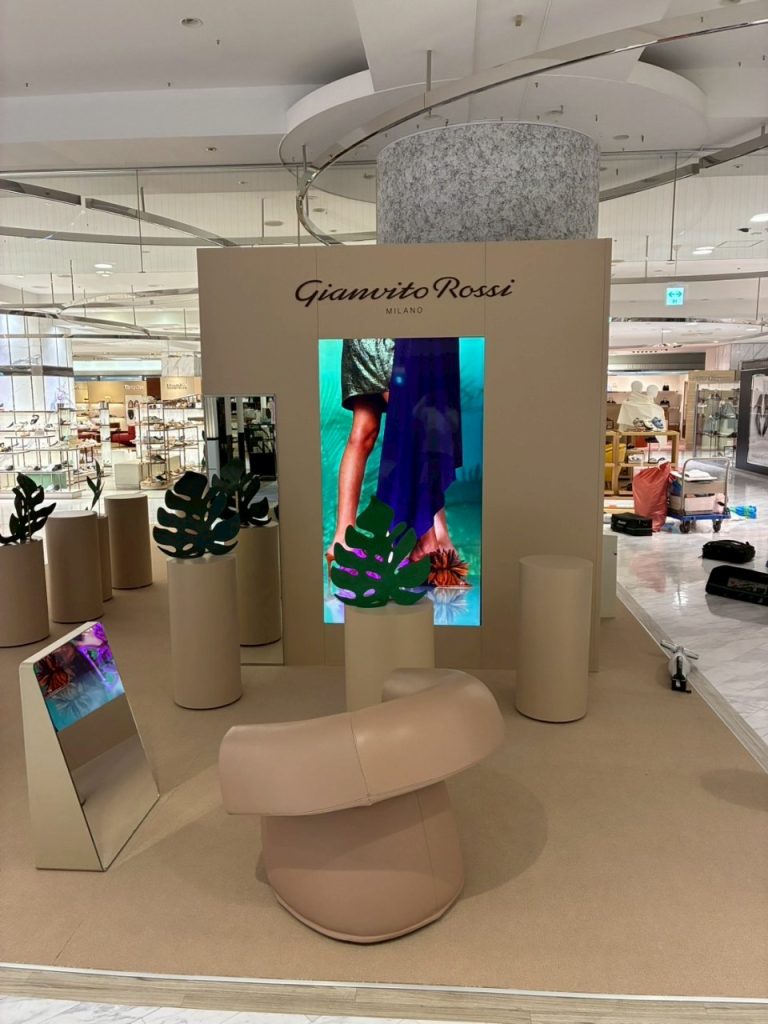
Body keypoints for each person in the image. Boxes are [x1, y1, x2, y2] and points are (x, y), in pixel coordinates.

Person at [376, 337, 469, 584]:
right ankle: (427, 534)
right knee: (419, 404)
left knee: (436, 406)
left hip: (441, 330)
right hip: (409, 332)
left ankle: (432, 533)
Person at [325, 338, 394, 572]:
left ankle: (342, 539)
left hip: (362, 331)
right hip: (395, 334)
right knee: (410, 425)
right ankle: (423, 540)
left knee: (364, 431)